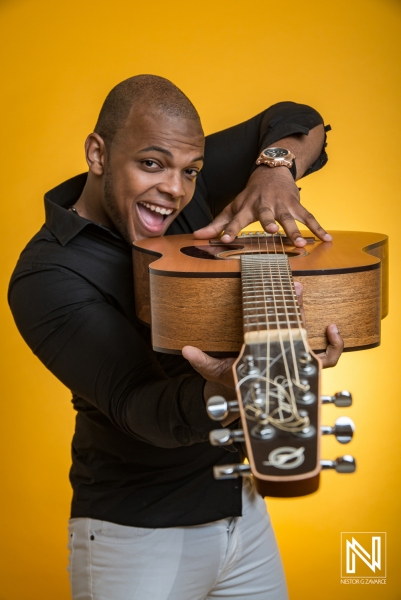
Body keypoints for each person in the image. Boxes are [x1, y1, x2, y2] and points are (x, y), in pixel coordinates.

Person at [8, 75, 343, 600]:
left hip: (243, 512)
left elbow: (299, 117)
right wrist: (232, 388)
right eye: (151, 163)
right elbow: (138, 405)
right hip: (136, 538)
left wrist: (275, 171)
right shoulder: (47, 275)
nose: (175, 189)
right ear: (98, 153)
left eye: (191, 171)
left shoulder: (186, 195)